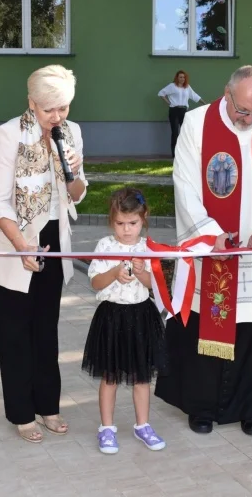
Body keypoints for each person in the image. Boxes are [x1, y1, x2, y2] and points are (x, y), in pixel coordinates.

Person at [155, 65, 252, 436]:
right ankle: (201, 406)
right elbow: (185, 184)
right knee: (208, 320)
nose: (251, 120)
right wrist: (209, 233)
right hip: (213, 247)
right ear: (226, 93)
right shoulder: (196, 123)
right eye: (243, 111)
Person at [0, 65, 88, 443]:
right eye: (49, 110)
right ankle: (22, 412)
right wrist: (21, 246)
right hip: (16, 239)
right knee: (15, 332)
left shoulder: (71, 133)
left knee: (46, 328)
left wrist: (74, 173)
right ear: (31, 103)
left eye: (63, 108)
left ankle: (48, 405)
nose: (57, 117)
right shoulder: (8, 135)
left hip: (54, 238)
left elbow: (76, 195)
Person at [81, 187, 167, 454]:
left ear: (144, 219)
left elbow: (154, 286)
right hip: (112, 318)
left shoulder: (148, 248)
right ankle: (107, 428)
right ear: (111, 221)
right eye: (120, 223)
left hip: (141, 317)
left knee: (141, 378)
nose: (127, 229)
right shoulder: (105, 246)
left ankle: (143, 425)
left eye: (133, 223)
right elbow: (95, 282)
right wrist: (114, 272)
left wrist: (142, 273)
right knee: (110, 376)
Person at [158, 70, 206, 157]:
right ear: (177, 78)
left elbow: (195, 96)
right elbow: (161, 93)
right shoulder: (172, 86)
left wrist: (205, 103)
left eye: (183, 77)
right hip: (174, 111)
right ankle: (175, 154)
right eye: (180, 77)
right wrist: (169, 103)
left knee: (185, 132)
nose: (182, 79)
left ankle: (184, 154)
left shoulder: (187, 87)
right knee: (175, 132)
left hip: (184, 111)